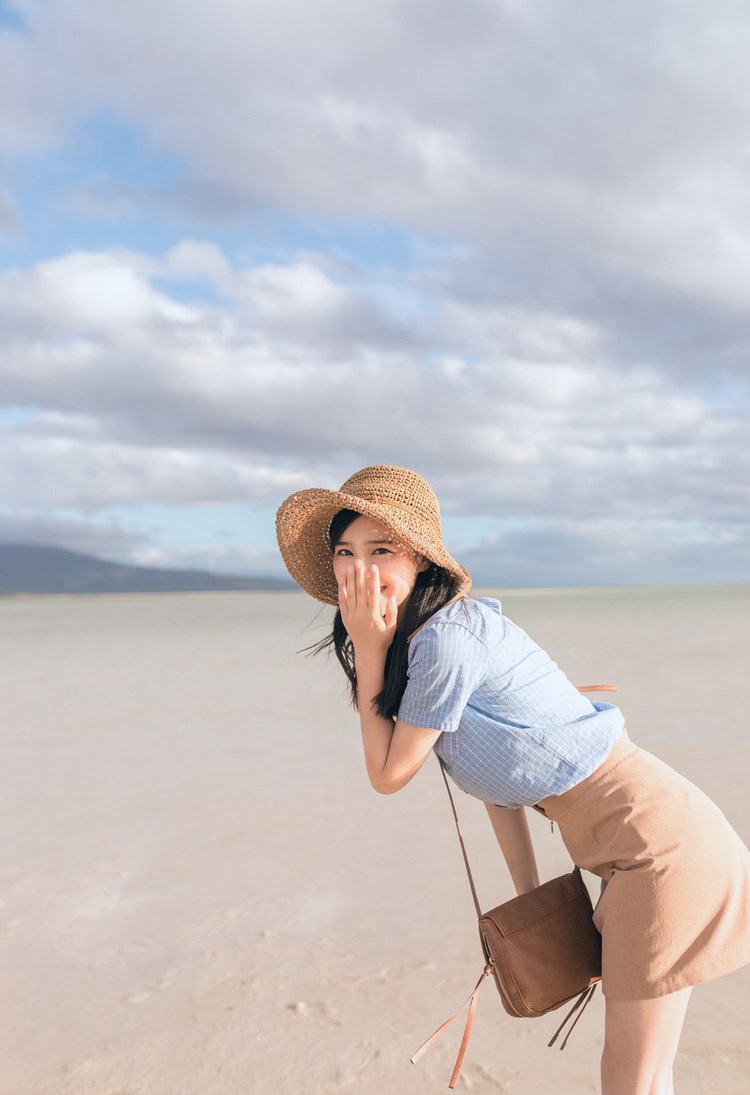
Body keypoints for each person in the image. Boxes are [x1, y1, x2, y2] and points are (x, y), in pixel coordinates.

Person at [275, 465, 750, 1095]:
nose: (359, 570)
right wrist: (539, 909)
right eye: (344, 552)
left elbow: (388, 775)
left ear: (420, 560)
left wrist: (367, 649)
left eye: (381, 550)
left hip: (661, 848)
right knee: (643, 1075)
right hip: (636, 852)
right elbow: (502, 785)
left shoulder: (449, 639)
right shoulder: (423, 645)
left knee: (630, 1077)